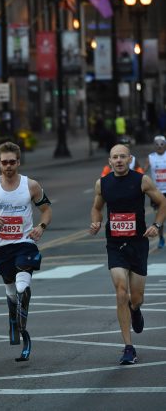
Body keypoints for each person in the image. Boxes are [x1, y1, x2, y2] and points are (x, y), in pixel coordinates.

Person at [0, 141, 52, 361]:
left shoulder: (31, 185)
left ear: (18, 162)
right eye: (4, 162)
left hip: (25, 243)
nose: (8, 166)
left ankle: (22, 320)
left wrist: (40, 227)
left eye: (12, 162)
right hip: (1, 248)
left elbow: (46, 210)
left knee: (22, 284)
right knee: (10, 290)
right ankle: (15, 320)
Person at [90, 143, 166, 366]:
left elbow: (162, 203)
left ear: (130, 159)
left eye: (123, 156)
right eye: (115, 157)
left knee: (136, 297)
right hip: (115, 244)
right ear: (110, 161)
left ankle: (136, 309)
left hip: (138, 243)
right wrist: (96, 221)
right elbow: (97, 207)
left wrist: (157, 225)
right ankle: (128, 347)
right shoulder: (102, 183)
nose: (120, 160)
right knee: (121, 291)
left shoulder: (141, 180)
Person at [143, 135, 166, 248]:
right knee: (159, 216)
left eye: (162, 144)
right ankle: (161, 238)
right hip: (156, 192)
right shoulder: (151, 157)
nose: (159, 146)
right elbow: (142, 172)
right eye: (157, 144)